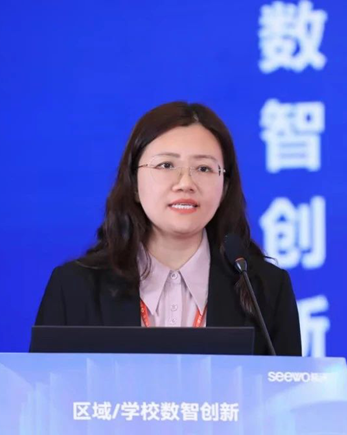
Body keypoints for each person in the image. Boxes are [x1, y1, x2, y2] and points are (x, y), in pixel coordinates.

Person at [35, 101, 301, 356]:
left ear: (224, 187)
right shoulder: (74, 288)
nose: (185, 183)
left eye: (204, 168)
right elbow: (46, 385)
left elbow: (287, 386)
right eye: (166, 165)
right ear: (134, 183)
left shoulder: (265, 290)